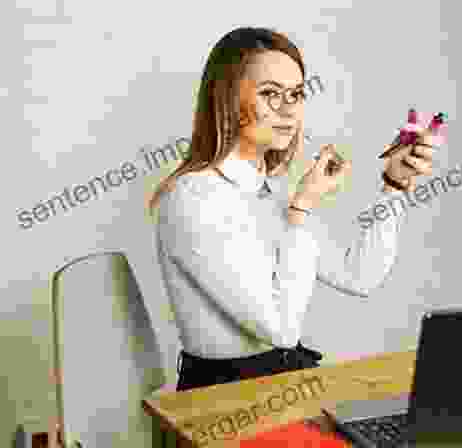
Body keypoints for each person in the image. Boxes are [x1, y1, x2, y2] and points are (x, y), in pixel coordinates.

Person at [148, 27, 437, 392]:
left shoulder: (270, 190)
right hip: (223, 403)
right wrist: (301, 210)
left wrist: (393, 187)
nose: (288, 110)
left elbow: (359, 275)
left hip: (284, 388)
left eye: (296, 94)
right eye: (270, 94)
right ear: (227, 100)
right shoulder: (193, 198)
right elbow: (281, 330)